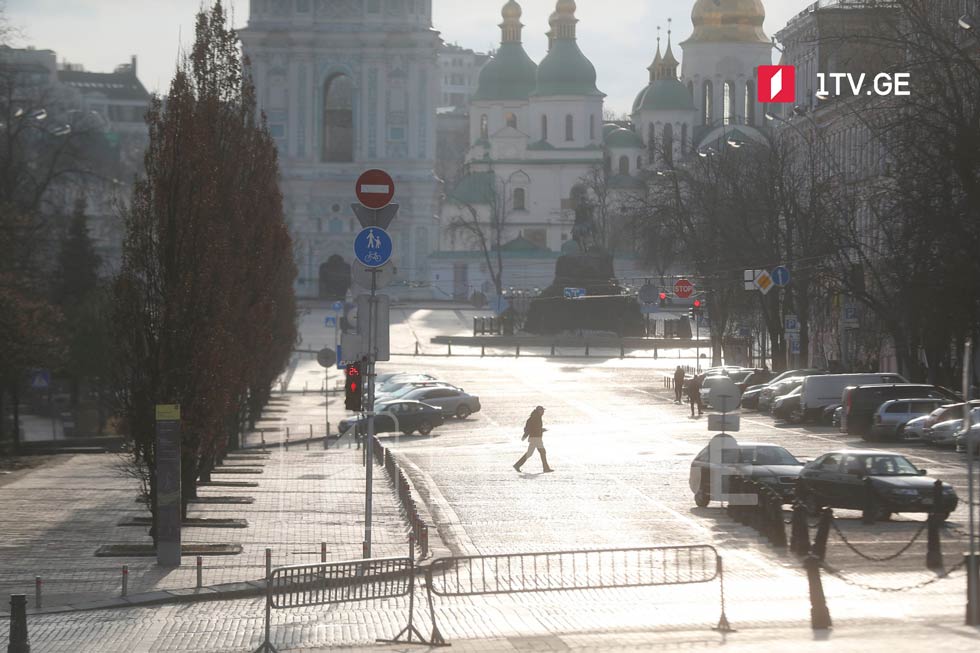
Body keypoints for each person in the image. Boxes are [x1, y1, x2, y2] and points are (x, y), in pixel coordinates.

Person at [513, 406, 554, 473]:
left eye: (543, 411)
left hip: (536, 438)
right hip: (535, 438)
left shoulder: (536, 417)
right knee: (542, 452)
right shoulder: (535, 418)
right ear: (538, 411)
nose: (543, 412)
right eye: (542, 410)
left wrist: (540, 430)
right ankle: (546, 468)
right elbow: (531, 429)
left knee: (533, 453)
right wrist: (541, 430)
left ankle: (517, 465)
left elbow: (530, 428)